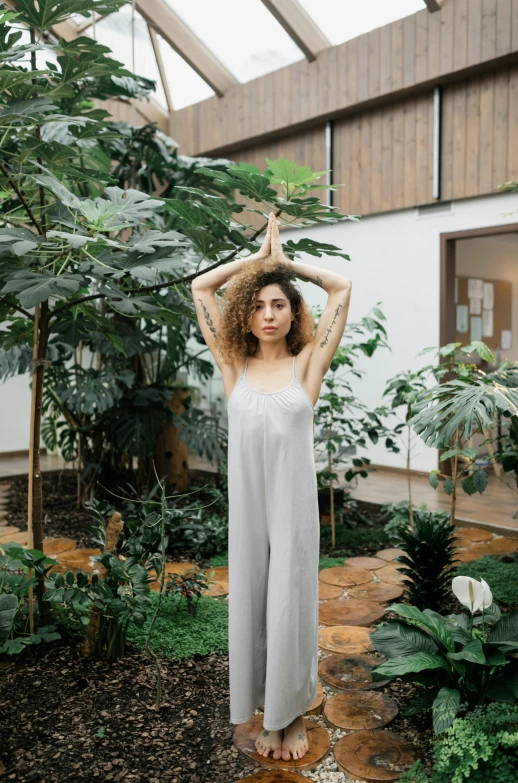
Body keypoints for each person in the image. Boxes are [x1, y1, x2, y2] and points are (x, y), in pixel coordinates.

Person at [191, 212, 352, 762]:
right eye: (258, 304)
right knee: (255, 608)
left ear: (293, 312)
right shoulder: (231, 363)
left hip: (293, 513)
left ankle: (294, 714)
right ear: (246, 312)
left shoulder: (309, 364)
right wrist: (258, 263)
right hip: (248, 513)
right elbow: (200, 286)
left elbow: (341, 286)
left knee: (290, 608)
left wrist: (284, 264)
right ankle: (265, 713)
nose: (267, 313)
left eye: (278, 303)